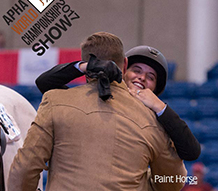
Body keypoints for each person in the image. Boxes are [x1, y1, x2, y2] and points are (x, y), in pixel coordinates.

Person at [8, 32, 186, 191]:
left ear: (86, 64)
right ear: (124, 65)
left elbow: (24, 168)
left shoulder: (55, 101)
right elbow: (174, 181)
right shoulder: (152, 120)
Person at [35, 45, 201, 161]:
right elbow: (44, 83)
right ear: (123, 70)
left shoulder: (156, 119)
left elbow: (191, 151)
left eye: (151, 77)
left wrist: (159, 106)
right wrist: (86, 66)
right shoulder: (99, 96)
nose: (142, 78)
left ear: (156, 89)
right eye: (137, 70)